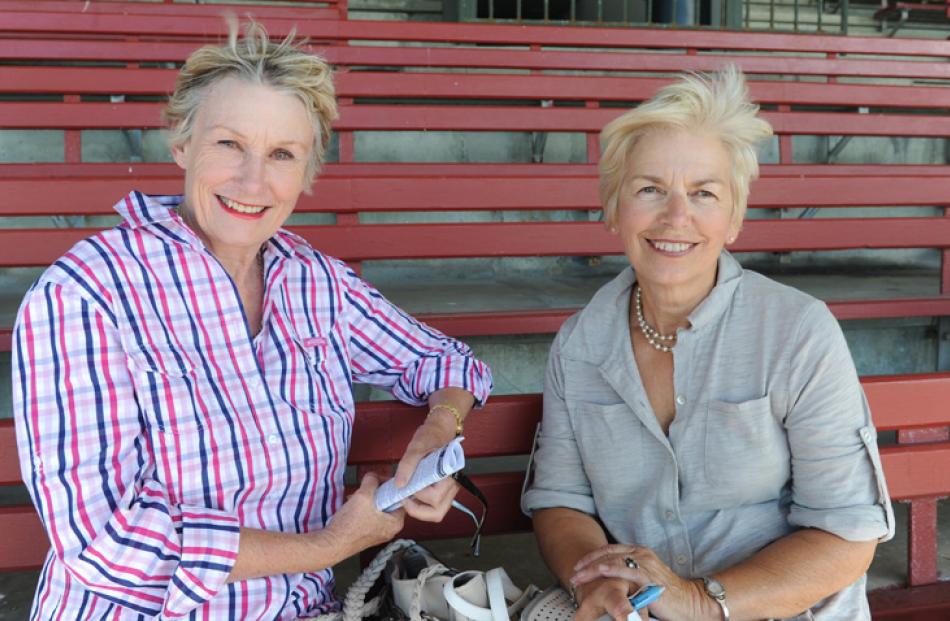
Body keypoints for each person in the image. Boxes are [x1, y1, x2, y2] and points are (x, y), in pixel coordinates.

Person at [12, 21, 491, 620]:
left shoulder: (316, 281)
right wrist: (331, 545)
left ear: (306, 173)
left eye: (282, 154)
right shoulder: (85, 294)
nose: (252, 180)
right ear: (182, 144)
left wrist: (436, 434)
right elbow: (104, 542)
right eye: (228, 144)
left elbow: (448, 363)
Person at [521, 67, 894, 621]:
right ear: (612, 208)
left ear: (735, 216)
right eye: (650, 189)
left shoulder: (797, 331)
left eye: (704, 193)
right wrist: (596, 582)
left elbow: (846, 533)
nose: (677, 216)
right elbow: (560, 500)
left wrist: (698, 603)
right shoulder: (580, 343)